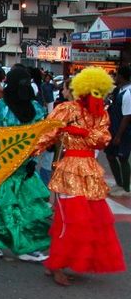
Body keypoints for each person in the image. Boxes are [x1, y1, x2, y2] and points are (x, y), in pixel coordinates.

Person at [34, 67, 126, 286]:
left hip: (90, 171)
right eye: (91, 91)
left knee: (90, 220)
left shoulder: (101, 114)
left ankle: (63, 261)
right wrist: (28, 152)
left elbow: (103, 139)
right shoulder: (66, 109)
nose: (95, 96)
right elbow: (45, 133)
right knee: (70, 220)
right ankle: (56, 264)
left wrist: (83, 133)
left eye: (99, 92)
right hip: (69, 170)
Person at [0, 66, 51, 261]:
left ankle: (27, 246)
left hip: (26, 169)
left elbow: (40, 137)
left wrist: (33, 158)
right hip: (2, 169)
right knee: (1, 208)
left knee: (26, 208)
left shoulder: (36, 109)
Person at [105, 65, 131, 197]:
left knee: (123, 158)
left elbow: (127, 116)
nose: (115, 77)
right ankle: (119, 183)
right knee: (110, 155)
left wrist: (119, 136)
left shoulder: (128, 93)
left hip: (123, 132)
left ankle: (126, 188)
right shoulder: (118, 91)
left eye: (116, 75)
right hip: (113, 129)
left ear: (121, 76)